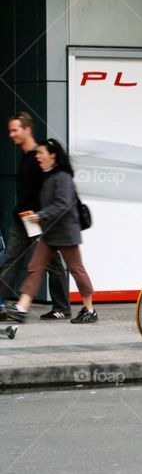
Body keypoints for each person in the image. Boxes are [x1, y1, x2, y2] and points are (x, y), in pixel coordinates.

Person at [4, 139, 96, 323]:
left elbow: (63, 204)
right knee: (34, 268)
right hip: (50, 232)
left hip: (65, 233)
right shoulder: (49, 175)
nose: (37, 156)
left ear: (52, 155)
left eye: (41, 153)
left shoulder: (62, 176)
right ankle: (22, 307)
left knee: (76, 269)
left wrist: (40, 215)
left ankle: (89, 309)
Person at [0, 112, 71, 320]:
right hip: (22, 219)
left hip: (38, 220)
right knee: (11, 260)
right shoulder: (25, 156)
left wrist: (42, 215)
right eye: (10, 131)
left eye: (15, 130)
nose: (11, 134)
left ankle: (62, 307)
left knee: (52, 264)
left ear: (27, 129)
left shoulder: (40, 156)